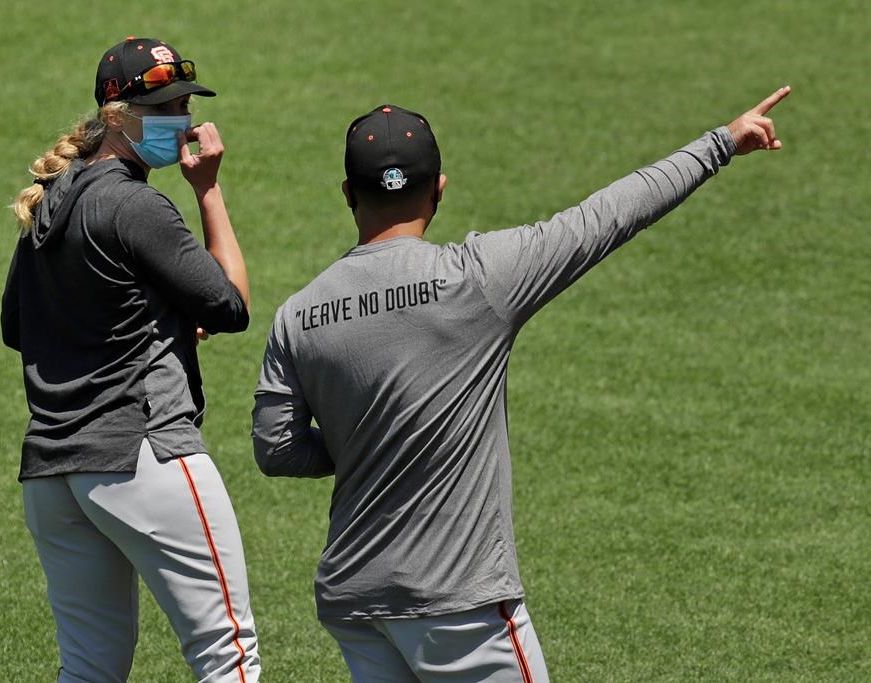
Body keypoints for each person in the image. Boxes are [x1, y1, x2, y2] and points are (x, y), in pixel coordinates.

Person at [251, 88, 790, 682]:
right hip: (460, 605)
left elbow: (275, 451)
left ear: (349, 195)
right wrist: (722, 143)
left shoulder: (299, 315)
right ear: (439, 189)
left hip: (354, 601)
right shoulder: (479, 279)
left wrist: (368, 439)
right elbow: (607, 216)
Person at [2, 37, 261, 683]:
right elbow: (230, 305)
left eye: (183, 102)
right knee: (227, 653)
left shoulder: (50, 203)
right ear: (116, 114)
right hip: (143, 454)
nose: (181, 118)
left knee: (89, 671)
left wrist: (147, 319)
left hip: (54, 474)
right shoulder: (137, 203)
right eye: (164, 105)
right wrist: (209, 191)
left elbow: (17, 326)